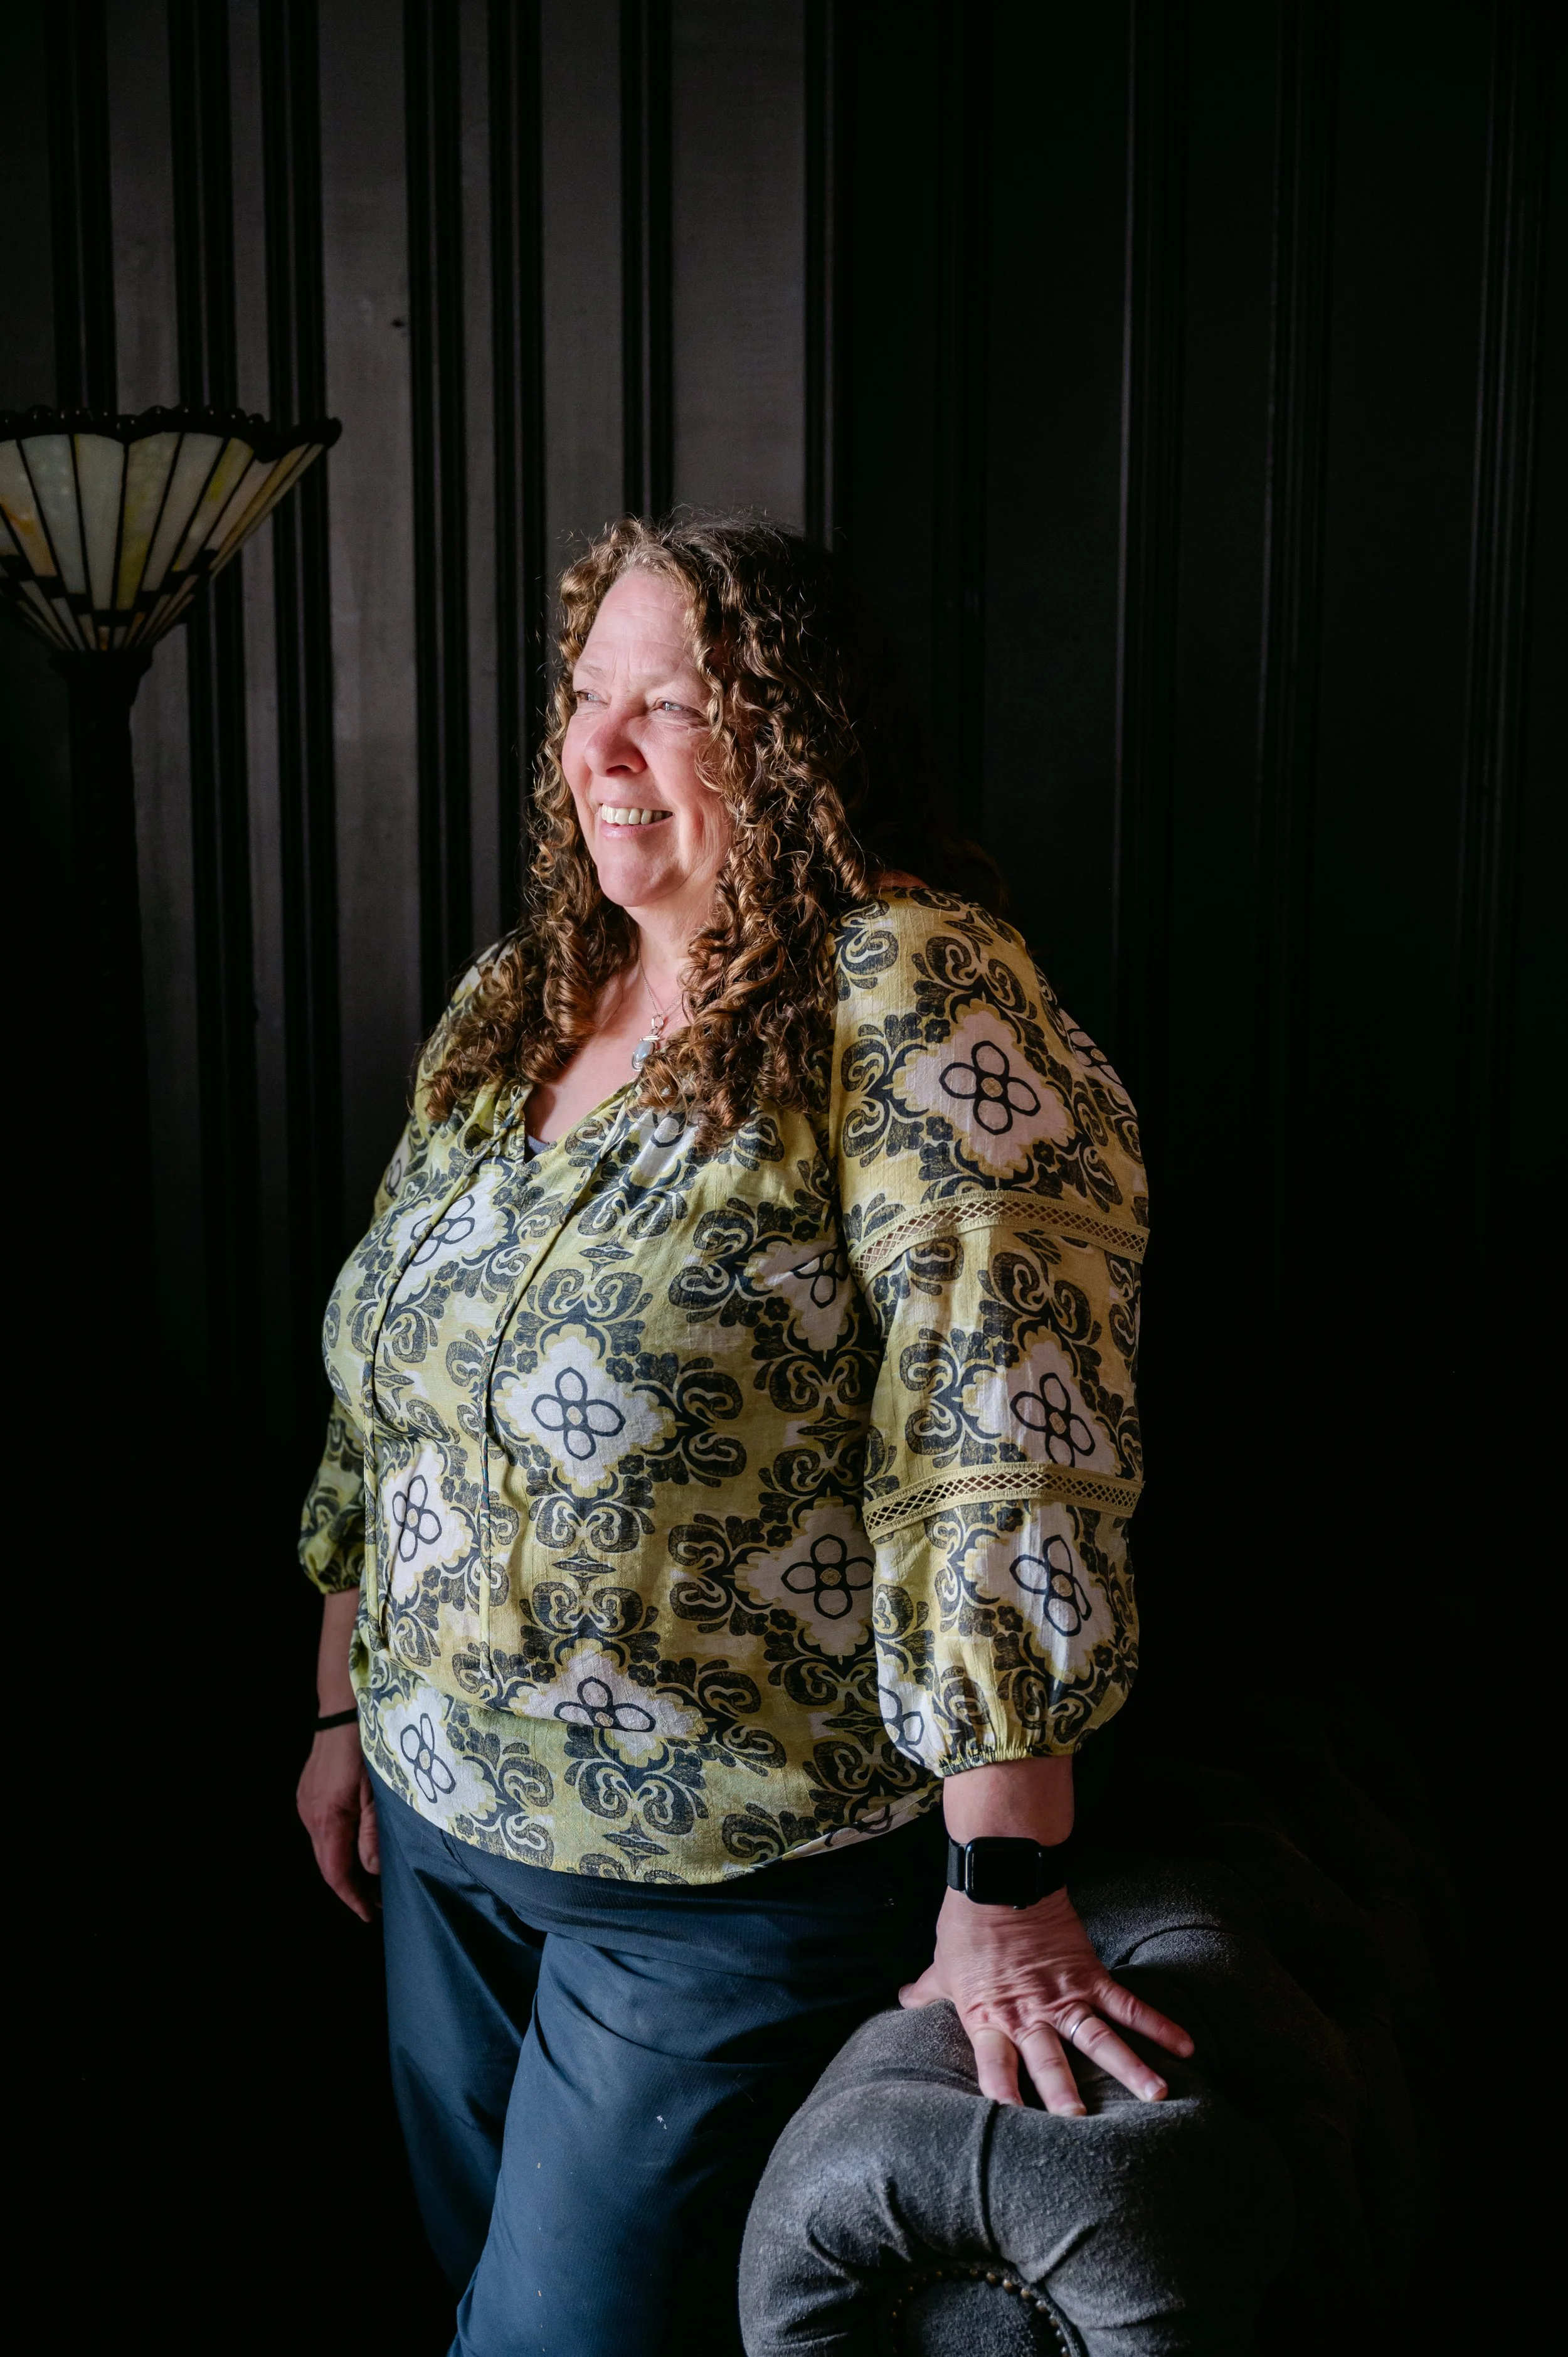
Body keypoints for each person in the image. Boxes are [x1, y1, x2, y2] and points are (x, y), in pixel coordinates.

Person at [295, 514, 1190, 2356]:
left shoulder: (912, 995)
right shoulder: (522, 994)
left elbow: (1005, 1431)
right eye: (584, 698)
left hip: (717, 1888)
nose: (598, 753)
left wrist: (1002, 1879)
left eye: (671, 706)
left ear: (789, 737)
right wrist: (338, 1699)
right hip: (437, 1833)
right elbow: (382, 1393)